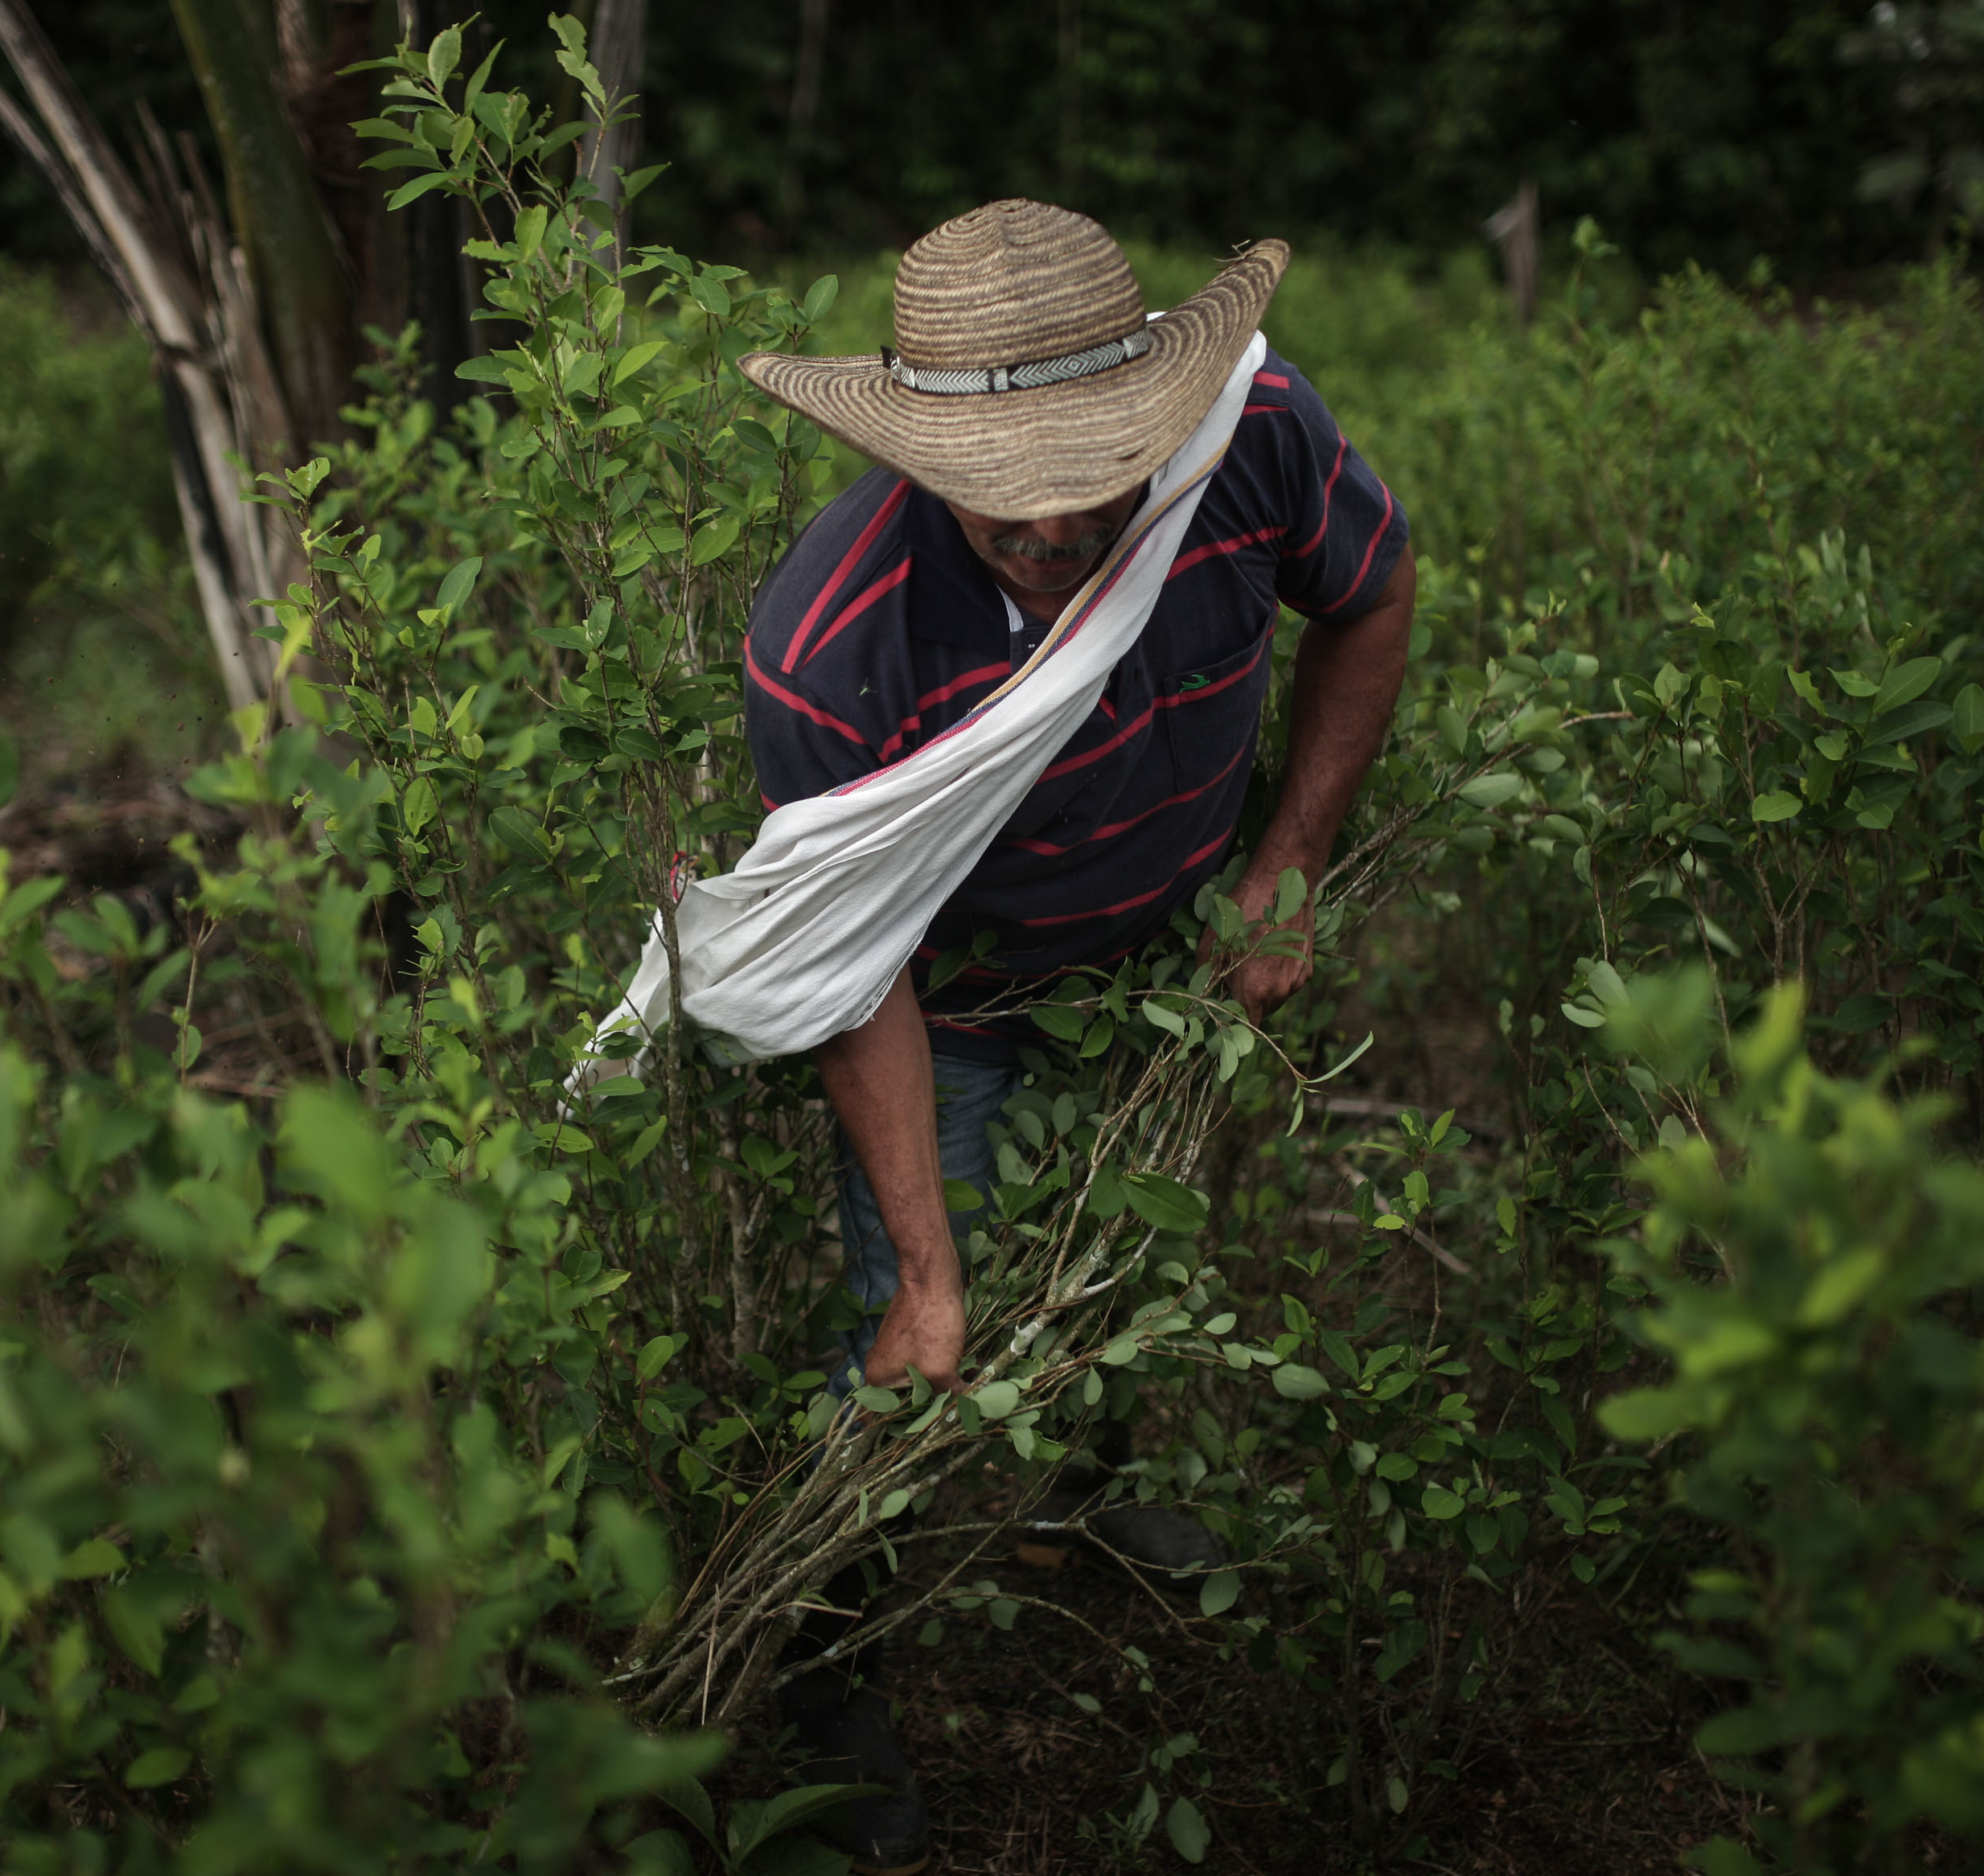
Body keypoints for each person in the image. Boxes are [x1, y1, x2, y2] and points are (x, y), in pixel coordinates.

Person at [731, 200, 1414, 1875]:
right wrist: (929, 1266)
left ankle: (1082, 1499)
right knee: (896, 1345)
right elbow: (852, 968)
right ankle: (816, 1669)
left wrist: (1285, 869)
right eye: (996, 482)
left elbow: (1372, 598)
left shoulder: (1250, 443)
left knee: (1128, 1254)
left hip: (1167, 953)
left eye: (1084, 465)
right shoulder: (833, 648)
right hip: (943, 1002)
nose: (1044, 517)